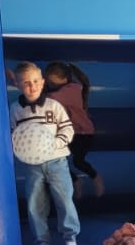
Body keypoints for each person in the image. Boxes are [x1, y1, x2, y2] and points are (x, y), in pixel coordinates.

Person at [8, 61, 80, 245]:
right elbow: (13, 134)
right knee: (34, 202)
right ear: (18, 85)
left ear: (42, 82)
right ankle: (41, 240)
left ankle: (70, 235)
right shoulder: (15, 109)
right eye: (26, 83)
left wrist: (57, 142)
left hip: (56, 160)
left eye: (35, 82)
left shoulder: (53, 106)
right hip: (32, 164)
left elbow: (67, 128)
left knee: (64, 198)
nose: (31, 87)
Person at [44, 60, 102, 198]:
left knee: (78, 161)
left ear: (64, 79)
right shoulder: (64, 89)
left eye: (52, 82)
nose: (49, 84)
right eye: (48, 81)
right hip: (73, 133)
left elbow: (49, 99)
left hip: (83, 133)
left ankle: (96, 178)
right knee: (56, 160)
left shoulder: (72, 89)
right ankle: (76, 180)